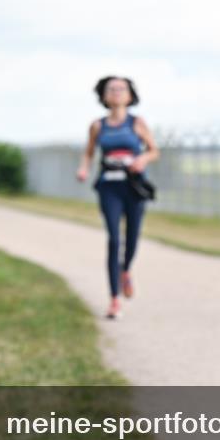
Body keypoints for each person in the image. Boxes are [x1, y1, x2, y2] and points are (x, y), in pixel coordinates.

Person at [76, 76, 160, 320]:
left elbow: (154, 150)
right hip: (109, 187)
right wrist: (83, 169)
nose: (115, 92)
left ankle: (126, 270)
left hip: (134, 188)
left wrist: (142, 159)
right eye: (111, 89)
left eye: (121, 89)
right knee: (114, 240)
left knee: (132, 237)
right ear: (103, 96)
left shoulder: (137, 122)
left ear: (130, 95)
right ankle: (114, 299)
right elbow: (88, 154)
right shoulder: (97, 126)